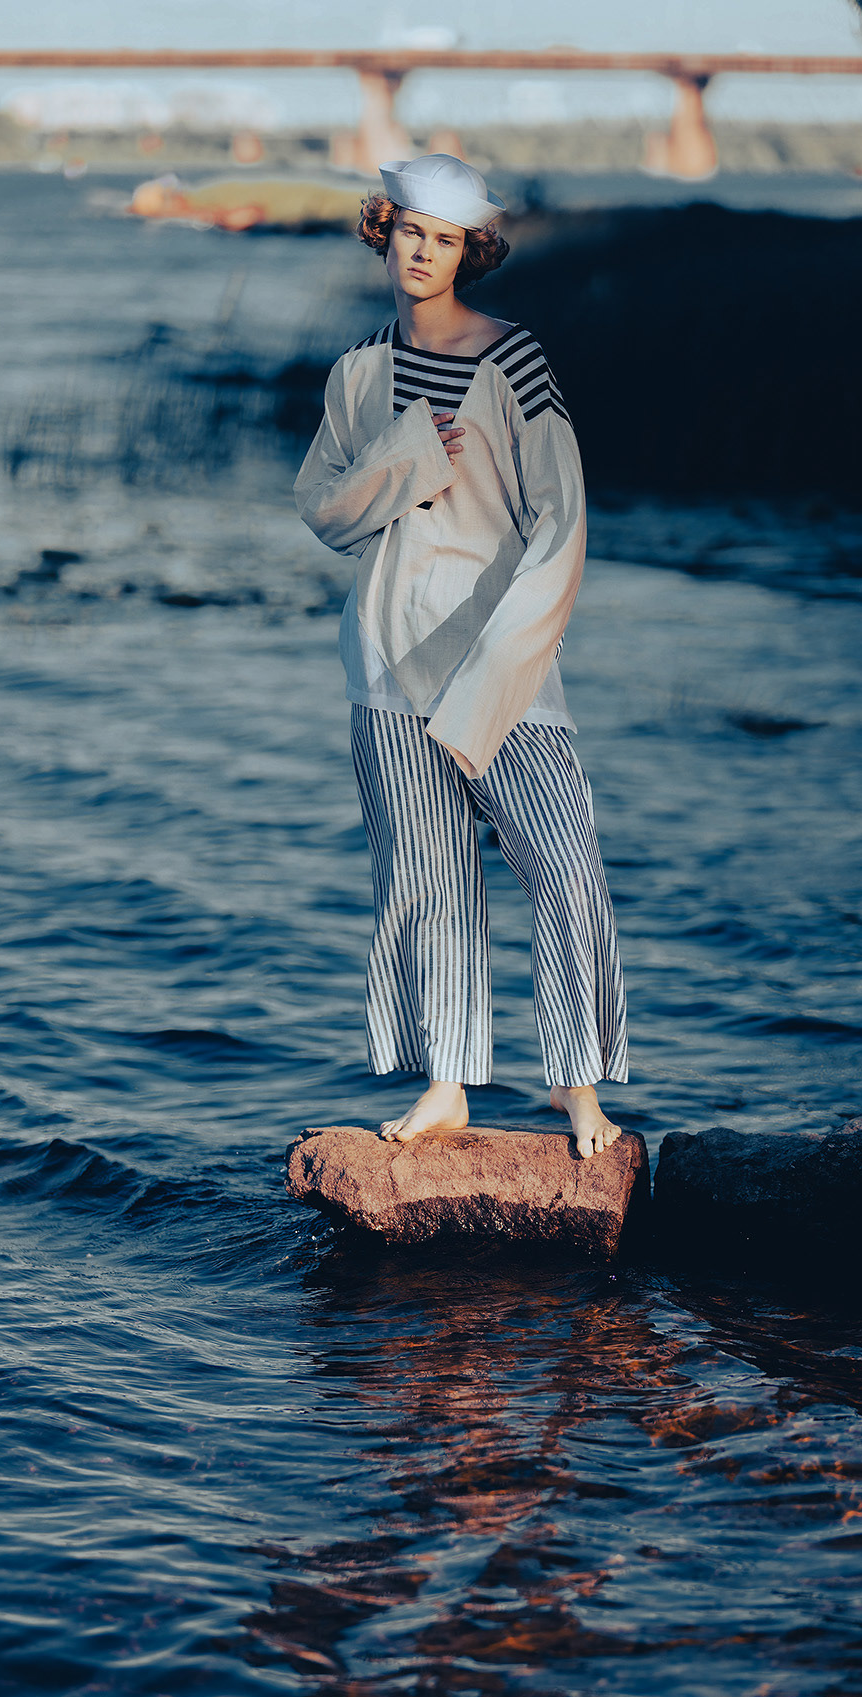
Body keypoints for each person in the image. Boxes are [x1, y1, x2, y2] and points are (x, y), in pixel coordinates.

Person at [294, 153, 628, 1159]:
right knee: (425, 881)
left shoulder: (514, 359)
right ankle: (446, 1085)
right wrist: (405, 457)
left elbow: (561, 522)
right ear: (385, 231)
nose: (421, 253)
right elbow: (325, 509)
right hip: (387, 660)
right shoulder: (358, 369)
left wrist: (506, 665)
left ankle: (578, 1092)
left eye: (443, 240)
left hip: (498, 664)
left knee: (566, 870)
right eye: (409, 232)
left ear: (467, 252)